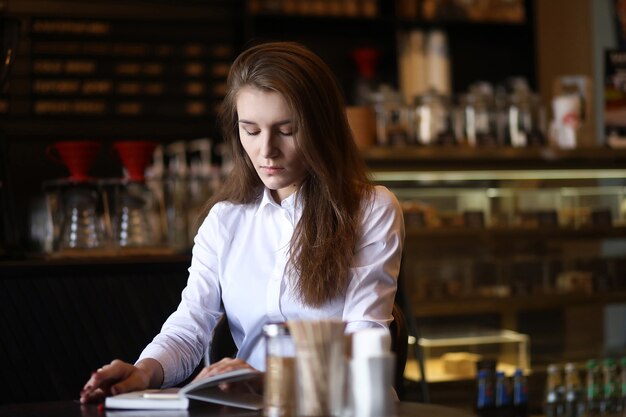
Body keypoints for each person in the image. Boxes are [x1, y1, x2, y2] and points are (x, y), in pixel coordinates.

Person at [80, 41, 405, 403]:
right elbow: (191, 325)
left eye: (286, 130)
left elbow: (364, 340)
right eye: (250, 130)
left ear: (322, 128)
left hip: (344, 406)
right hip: (251, 408)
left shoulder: (370, 208)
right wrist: (143, 372)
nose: (266, 151)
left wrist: (273, 379)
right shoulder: (225, 219)